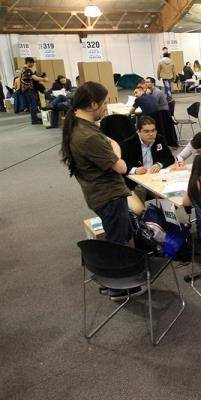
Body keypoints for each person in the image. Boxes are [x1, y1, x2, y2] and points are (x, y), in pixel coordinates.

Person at [60, 82, 144, 300]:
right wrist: (115, 148)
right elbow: (121, 167)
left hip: (98, 192)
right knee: (117, 243)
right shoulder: (88, 136)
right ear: (93, 105)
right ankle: (118, 287)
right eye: (104, 103)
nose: (106, 107)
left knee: (117, 235)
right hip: (109, 195)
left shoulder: (79, 126)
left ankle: (111, 280)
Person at [120, 116, 175, 198]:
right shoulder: (128, 144)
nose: (151, 134)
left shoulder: (159, 139)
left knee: (173, 191)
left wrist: (159, 164)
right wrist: (135, 170)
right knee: (140, 194)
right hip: (136, 181)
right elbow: (121, 167)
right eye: (146, 131)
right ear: (138, 132)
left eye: (153, 130)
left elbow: (170, 158)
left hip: (155, 178)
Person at [16, 57, 48, 124]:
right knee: (33, 104)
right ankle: (34, 120)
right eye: (32, 63)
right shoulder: (27, 70)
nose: (33, 64)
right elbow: (35, 78)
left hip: (27, 90)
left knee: (32, 104)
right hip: (29, 89)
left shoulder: (23, 69)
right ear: (28, 62)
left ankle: (35, 118)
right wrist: (44, 79)